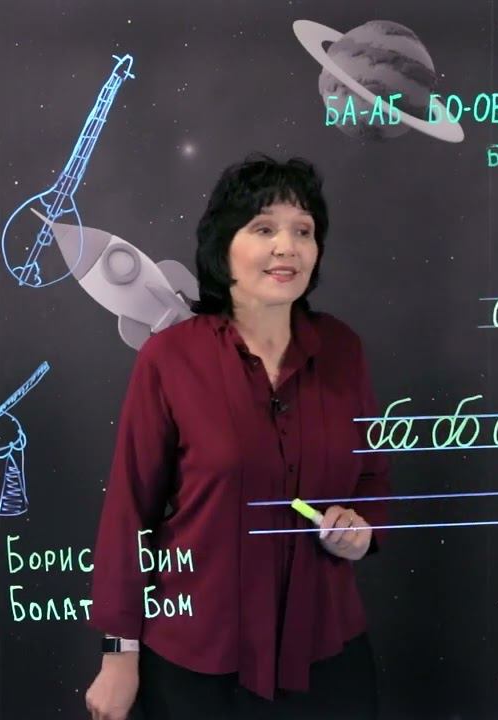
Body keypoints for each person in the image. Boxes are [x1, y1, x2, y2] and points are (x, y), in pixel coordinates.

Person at [83, 153, 392, 720]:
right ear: (223, 247)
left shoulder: (343, 350)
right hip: (196, 662)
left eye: (303, 231)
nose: (287, 246)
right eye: (264, 229)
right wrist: (119, 654)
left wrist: (361, 526)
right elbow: (129, 513)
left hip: (326, 656)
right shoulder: (169, 359)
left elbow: (372, 476)